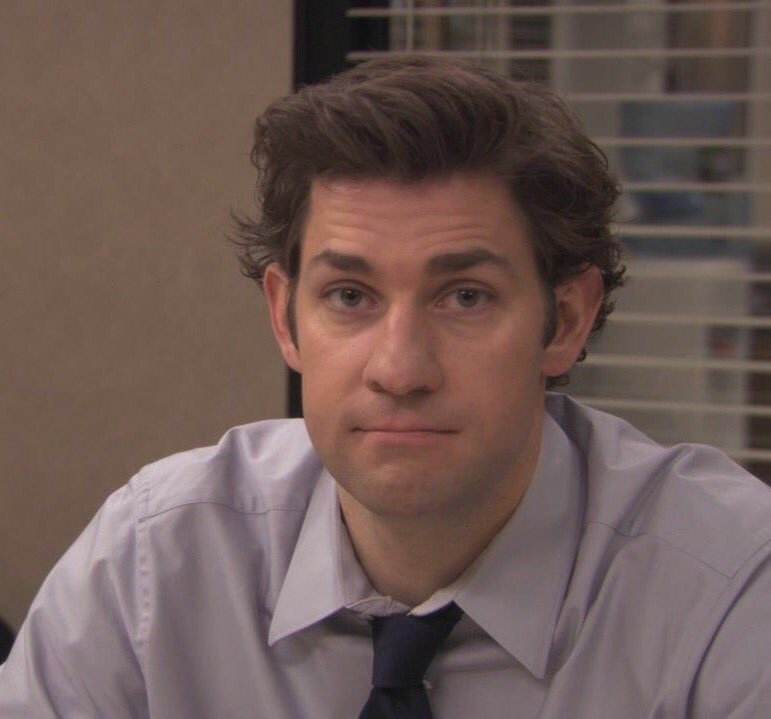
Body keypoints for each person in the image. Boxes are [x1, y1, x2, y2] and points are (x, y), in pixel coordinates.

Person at [1, 56, 770, 718]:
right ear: (285, 317)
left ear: (565, 319)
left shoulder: (727, 587)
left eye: (464, 296)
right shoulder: (155, 562)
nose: (399, 369)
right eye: (349, 296)